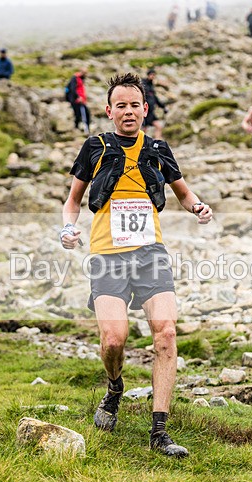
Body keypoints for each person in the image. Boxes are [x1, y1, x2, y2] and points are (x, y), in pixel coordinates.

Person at [60, 73, 213, 458]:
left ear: (145, 109)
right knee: (114, 340)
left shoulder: (159, 148)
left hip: (150, 254)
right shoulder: (94, 147)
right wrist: (68, 227)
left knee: (165, 332)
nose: (128, 111)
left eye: (135, 105)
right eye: (121, 106)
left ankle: (159, 432)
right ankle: (114, 387)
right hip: (107, 256)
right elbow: (73, 200)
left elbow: (182, 192)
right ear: (109, 111)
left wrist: (197, 206)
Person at [142, 69, 167, 140]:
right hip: (144, 112)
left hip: (151, 112)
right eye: (151, 75)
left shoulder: (151, 86)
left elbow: (155, 98)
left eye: (154, 75)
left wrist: (163, 107)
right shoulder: (143, 84)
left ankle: (157, 142)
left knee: (158, 126)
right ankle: (140, 145)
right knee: (143, 129)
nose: (153, 76)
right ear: (148, 75)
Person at [66, 68, 91, 134]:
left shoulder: (81, 79)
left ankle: (84, 128)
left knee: (86, 113)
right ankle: (78, 128)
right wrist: (78, 97)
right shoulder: (75, 78)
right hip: (76, 100)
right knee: (79, 114)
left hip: (81, 100)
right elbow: (72, 89)